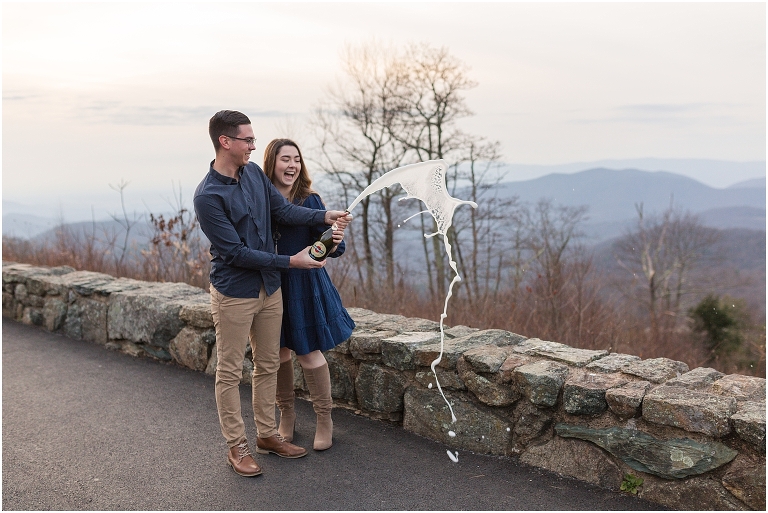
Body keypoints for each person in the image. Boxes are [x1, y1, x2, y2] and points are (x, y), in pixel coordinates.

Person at [193, 111, 352, 478]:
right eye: (247, 140)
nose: (253, 145)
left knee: (268, 364)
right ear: (225, 142)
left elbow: (282, 210)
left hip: (271, 288)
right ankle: (238, 447)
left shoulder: (251, 174)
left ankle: (267, 435)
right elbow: (235, 253)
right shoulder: (208, 196)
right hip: (235, 293)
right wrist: (291, 261)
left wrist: (324, 216)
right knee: (230, 373)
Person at [263, 138, 356, 451]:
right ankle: (286, 416)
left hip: (304, 286)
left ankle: (324, 418)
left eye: (297, 160)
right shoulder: (262, 200)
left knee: (307, 352)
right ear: (271, 163)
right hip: (272, 284)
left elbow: (332, 248)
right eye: (285, 159)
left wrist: (336, 236)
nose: (292, 165)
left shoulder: (310, 200)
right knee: (278, 353)